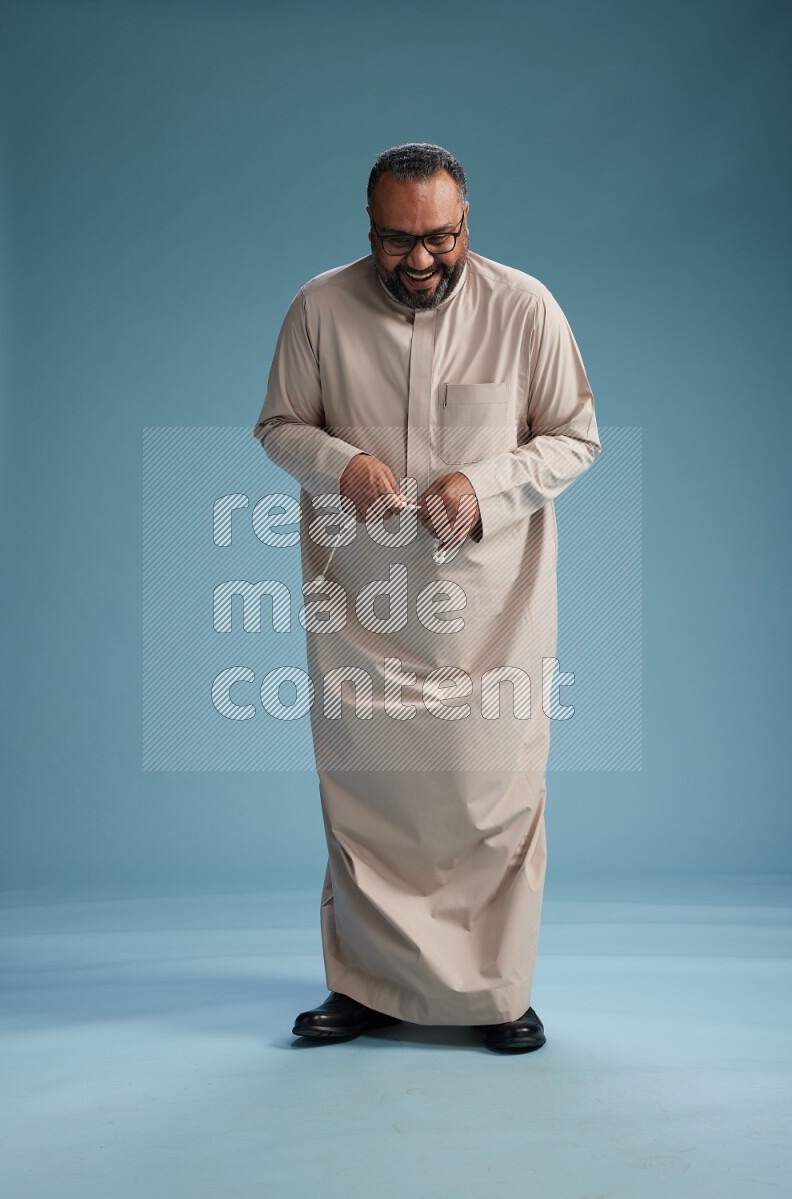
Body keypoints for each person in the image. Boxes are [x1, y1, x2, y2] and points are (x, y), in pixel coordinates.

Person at [253, 142, 602, 1053]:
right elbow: (278, 426)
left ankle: (496, 991)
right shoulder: (318, 308)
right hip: (361, 612)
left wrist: (483, 488)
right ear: (368, 227)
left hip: (490, 617)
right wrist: (342, 463)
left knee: (494, 804)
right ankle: (367, 987)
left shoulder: (525, 308)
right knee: (370, 806)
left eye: (438, 238)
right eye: (395, 239)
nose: (418, 260)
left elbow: (575, 438)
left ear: (466, 224)